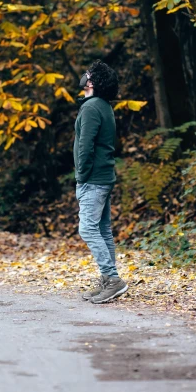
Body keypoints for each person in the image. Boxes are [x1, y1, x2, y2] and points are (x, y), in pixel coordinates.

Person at [74, 60, 128, 303]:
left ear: (93, 81)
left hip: (93, 178)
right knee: (103, 229)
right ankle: (108, 281)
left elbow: (86, 145)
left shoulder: (91, 107)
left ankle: (112, 278)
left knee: (87, 228)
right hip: (104, 176)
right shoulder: (103, 106)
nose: (84, 77)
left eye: (88, 74)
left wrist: (82, 175)